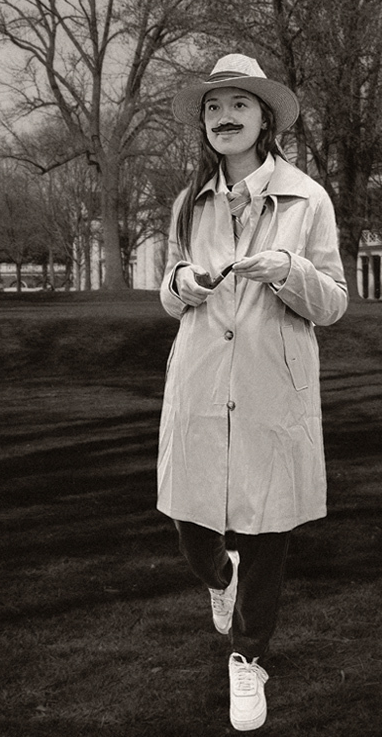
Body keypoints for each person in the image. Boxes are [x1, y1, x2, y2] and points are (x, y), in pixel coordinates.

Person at [157, 54, 348, 731]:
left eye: (239, 104)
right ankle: (217, 576)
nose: (224, 116)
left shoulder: (309, 199)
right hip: (201, 380)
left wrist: (288, 269)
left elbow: (332, 304)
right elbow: (169, 289)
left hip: (273, 385)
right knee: (188, 515)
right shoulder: (188, 202)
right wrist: (180, 285)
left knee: (268, 526)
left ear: (266, 118)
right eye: (213, 107)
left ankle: (248, 658)